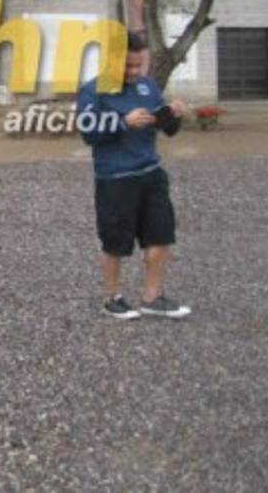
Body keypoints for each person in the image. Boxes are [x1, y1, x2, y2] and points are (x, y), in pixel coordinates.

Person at [77, 31, 192, 321]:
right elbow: (88, 133)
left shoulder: (147, 87)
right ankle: (111, 299)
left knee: (160, 236)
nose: (133, 72)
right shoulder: (94, 91)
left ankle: (152, 297)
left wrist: (174, 115)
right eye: (127, 66)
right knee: (115, 242)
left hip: (151, 174)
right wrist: (122, 122)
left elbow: (169, 130)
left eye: (137, 66)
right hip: (115, 179)